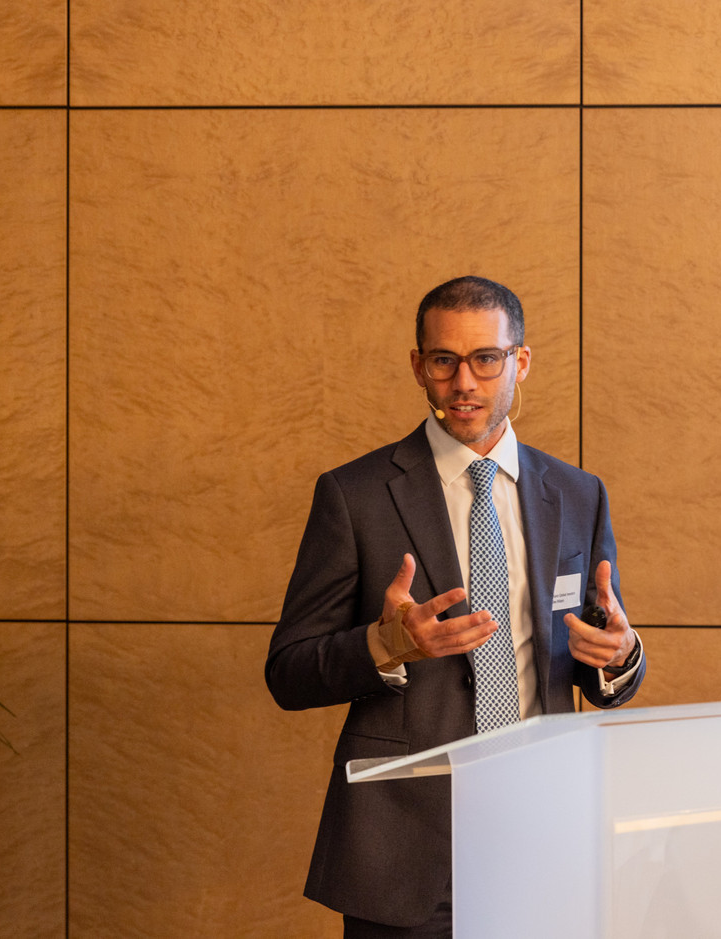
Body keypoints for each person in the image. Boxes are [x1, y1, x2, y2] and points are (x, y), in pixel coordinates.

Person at [266, 276, 646, 937]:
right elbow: (288, 670)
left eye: (486, 359)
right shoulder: (355, 496)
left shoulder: (579, 495)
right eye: (444, 360)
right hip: (407, 849)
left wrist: (619, 657)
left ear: (520, 361)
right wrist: (384, 646)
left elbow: (598, 657)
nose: (464, 382)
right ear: (419, 366)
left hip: (543, 839)